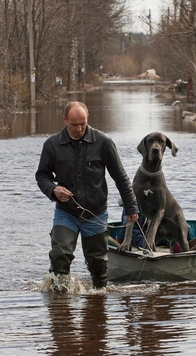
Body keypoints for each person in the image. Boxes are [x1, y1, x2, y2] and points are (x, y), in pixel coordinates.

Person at [36, 101, 139, 289]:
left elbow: (120, 177)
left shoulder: (103, 142)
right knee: (60, 254)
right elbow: (42, 175)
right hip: (66, 212)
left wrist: (131, 206)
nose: (79, 128)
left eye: (82, 123)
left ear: (87, 118)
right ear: (65, 120)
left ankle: (98, 305)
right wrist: (53, 189)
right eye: (74, 125)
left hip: (96, 213)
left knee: (98, 264)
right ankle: (60, 306)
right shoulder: (52, 145)